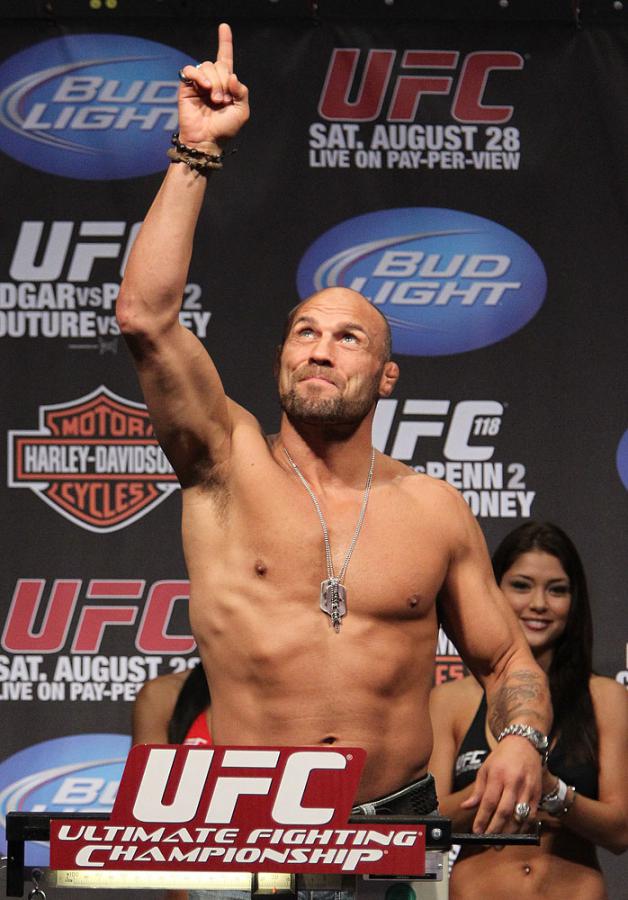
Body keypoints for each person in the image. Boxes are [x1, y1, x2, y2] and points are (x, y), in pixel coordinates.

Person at [116, 22, 552, 835]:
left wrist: (523, 736)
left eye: (349, 337)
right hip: (252, 830)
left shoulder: (433, 508)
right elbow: (146, 318)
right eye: (305, 332)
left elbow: (505, 660)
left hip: (398, 834)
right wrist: (194, 152)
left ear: (387, 376)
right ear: (282, 356)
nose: (320, 349)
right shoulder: (223, 462)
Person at [429, 521, 628, 899]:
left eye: (557, 590)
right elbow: (429, 825)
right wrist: (503, 780)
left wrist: (553, 790)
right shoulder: (450, 700)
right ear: (493, 592)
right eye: (521, 586)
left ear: (574, 601)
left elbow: (620, 830)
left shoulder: (607, 697)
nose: (538, 603)